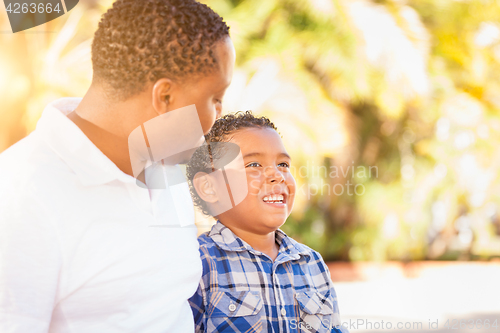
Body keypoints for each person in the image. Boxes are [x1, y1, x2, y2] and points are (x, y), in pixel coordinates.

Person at [0, 0, 235, 332]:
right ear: (165, 97)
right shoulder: (19, 196)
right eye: (215, 97)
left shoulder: (165, 170)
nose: (220, 113)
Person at [187, 111, 348, 333]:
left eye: (283, 164)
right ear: (209, 187)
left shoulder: (312, 263)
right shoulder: (197, 263)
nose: (278, 175)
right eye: (254, 164)